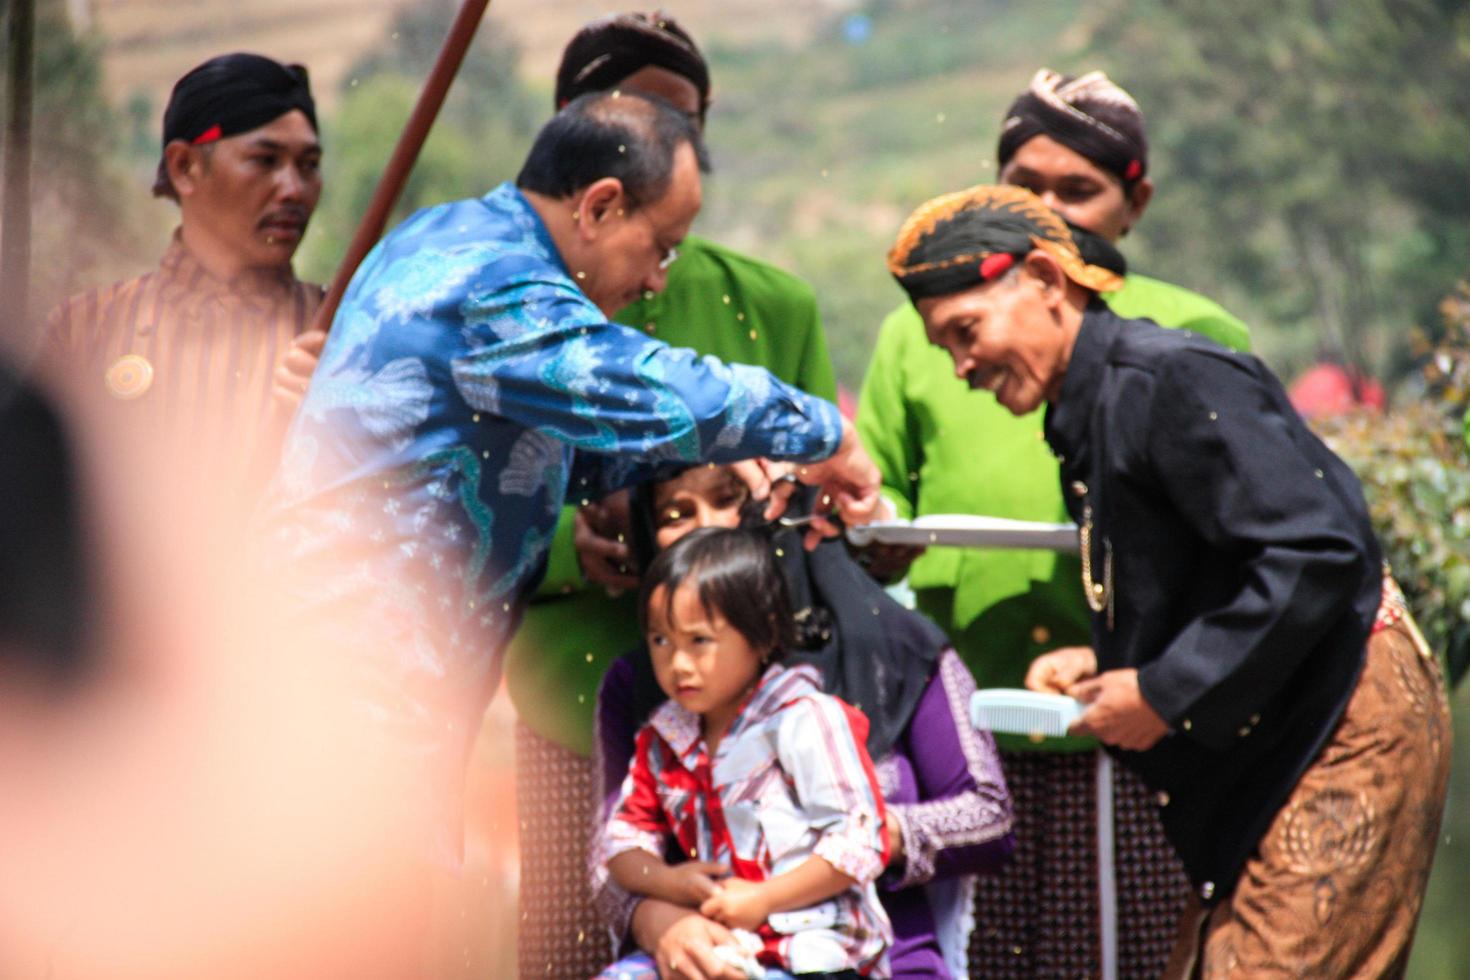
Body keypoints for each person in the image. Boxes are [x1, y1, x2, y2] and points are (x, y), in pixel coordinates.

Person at [262, 90, 878, 864]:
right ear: (600, 206)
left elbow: (546, 452)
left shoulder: (447, 236)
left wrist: (702, 457)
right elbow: (644, 383)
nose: (659, 280)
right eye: (662, 246)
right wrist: (823, 432)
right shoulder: (490, 282)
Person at [888, 183, 1452, 978]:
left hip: (1344, 713)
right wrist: (1112, 663)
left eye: (966, 332)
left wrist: (1165, 691)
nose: (961, 366)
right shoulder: (1094, 406)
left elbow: (1317, 552)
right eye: (944, 346)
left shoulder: (1168, 377)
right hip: (1282, 716)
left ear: (1049, 282)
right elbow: (1210, 570)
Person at [856, 68, 1253, 977]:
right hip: (963, 728)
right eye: (1024, 188)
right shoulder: (926, 339)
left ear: (1134, 200)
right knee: (963, 954)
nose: (1049, 211)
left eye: (1079, 191)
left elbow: (1264, 544)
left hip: (1139, 728)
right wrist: (876, 525)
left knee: (1139, 954)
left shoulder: (1191, 336)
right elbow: (884, 505)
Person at [504, 14, 840, 976]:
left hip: (744, 726)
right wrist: (573, 542)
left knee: (741, 948)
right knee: (576, 950)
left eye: (681, 117)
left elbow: (807, 500)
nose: (661, 134)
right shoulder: (504, 311)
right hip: (573, 698)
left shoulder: (772, 305)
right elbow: (458, 506)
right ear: (570, 128)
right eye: (633, 111)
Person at [594, 464, 1013, 979]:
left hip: (868, 958)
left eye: (728, 498)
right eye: (676, 512)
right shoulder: (651, 692)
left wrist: (842, 842)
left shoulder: (895, 649)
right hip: (708, 951)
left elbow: (989, 814)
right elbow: (615, 849)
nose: (709, 525)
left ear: (785, 506)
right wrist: (660, 919)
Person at [594, 527, 892, 980]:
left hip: (818, 951)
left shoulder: (805, 720)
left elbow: (862, 840)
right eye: (660, 641)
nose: (678, 663)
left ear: (762, 632)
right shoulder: (663, 738)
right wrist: (667, 880)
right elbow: (621, 842)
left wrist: (763, 899)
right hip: (722, 947)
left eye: (700, 641)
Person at [40, 52, 328, 508]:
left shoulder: (337, 334)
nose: (293, 188)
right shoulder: (85, 331)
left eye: (309, 165)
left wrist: (332, 412)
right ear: (184, 167)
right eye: (265, 159)